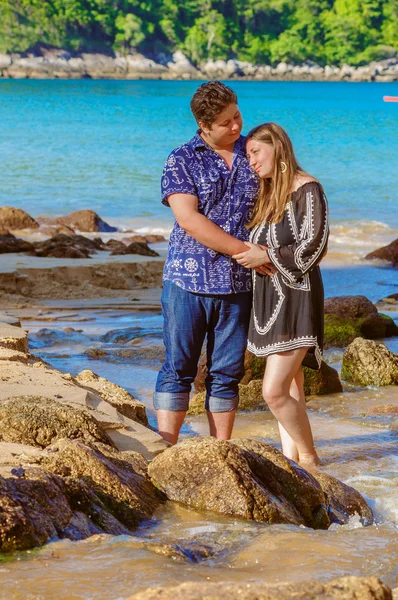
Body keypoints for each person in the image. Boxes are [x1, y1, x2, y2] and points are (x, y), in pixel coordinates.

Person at [153, 81, 271, 445]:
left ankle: (221, 450)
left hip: (239, 286)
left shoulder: (253, 150)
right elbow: (188, 219)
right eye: (225, 122)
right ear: (203, 126)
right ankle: (165, 449)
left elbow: (285, 188)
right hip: (187, 281)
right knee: (179, 369)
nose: (236, 126)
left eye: (237, 115)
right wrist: (243, 250)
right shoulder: (182, 158)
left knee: (227, 373)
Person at [233, 122, 329, 470]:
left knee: (272, 392)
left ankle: (312, 460)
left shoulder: (308, 189)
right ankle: (294, 465)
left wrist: (266, 256)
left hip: (296, 297)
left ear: (277, 146)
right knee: (290, 390)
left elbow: (314, 246)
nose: (252, 162)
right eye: (247, 156)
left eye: (256, 152)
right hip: (267, 302)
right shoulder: (266, 195)